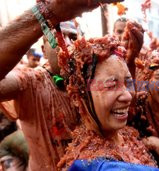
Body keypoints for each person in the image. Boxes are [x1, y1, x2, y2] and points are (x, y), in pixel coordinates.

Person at [0, 0, 123, 170]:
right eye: (57, 34)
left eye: (73, 37)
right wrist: (47, 12)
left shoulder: (90, 81)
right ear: (43, 50)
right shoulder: (28, 82)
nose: (66, 43)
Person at [57, 33, 159, 170]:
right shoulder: (91, 164)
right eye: (111, 85)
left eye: (128, 82)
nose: (127, 96)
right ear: (77, 98)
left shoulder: (124, 133)